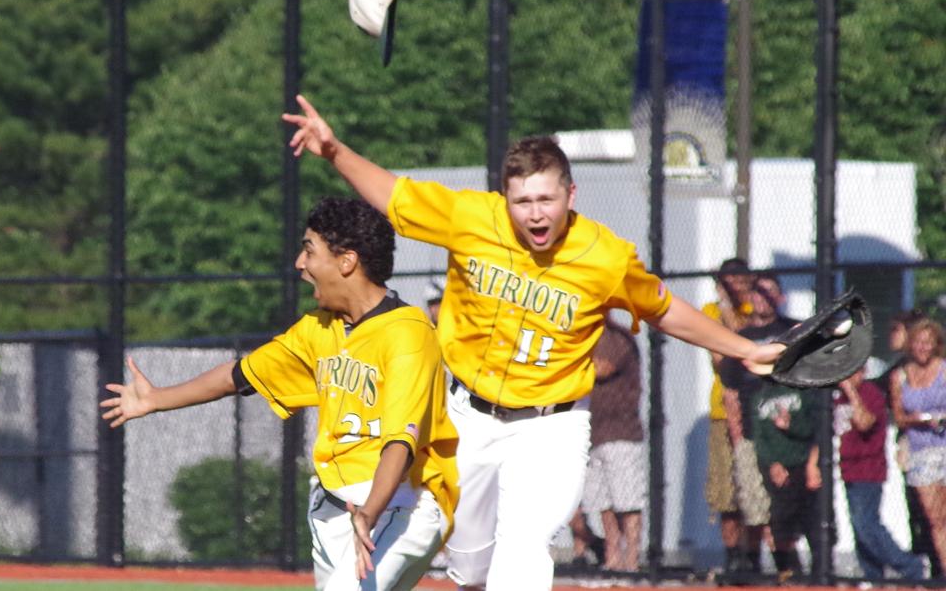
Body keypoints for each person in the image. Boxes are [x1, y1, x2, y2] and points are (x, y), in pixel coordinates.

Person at [281, 95, 785, 590]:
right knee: (470, 568)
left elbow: (665, 309)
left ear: (571, 193)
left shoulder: (603, 256)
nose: (536, 214)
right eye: (523, 201)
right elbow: (394, 194)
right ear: (505, 199)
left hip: (553, 425)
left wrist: (746, 349)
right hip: (468, 419)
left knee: (523, 546)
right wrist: (333, 150)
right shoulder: (472, 218)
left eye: (547, 199)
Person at [100, 198, 459, 591]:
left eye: (309, 250)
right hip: (334, 510)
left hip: (399, 507)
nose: (299, 264)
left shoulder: (408, 334)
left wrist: (370, 512)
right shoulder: (317, 329)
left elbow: (400, 441)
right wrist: (155, 399)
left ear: (347, 262)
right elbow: (239, 375)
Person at [718, 274, 795, 575]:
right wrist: (738, 438)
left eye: (769, 292)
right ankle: (751, 566)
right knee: (754, 504)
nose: (762, 298)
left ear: (780, 297)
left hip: (790, 437)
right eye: (757, 292)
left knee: (786, 505)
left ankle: (787, 569)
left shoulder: (792, 331)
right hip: (752, 433)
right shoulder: (742, 338)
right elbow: (730, 392)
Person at [834, 364, 926, 582]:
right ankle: (873, 576)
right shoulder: (839, 399)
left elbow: (865, 422)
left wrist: (851, 391)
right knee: (858, 528)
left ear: (862, 372)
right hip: (848, 468)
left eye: (853, 372)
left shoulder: (870, 393)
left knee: (867, 525)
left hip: (868, 469)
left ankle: (910, 567)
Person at [569, 313, 645, 572]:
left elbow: (602, 368)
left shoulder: (617, 337)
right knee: (603, 502)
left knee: (628, 500)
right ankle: (612, 558)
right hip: (593, 432)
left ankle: (632, 560)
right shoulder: (581, 339)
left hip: (621, 433)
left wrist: (568, 363)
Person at [702, 258, 755, 573]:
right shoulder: (711, 312)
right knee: (726, 491)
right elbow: (724, 358)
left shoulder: (756, 312)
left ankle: (755, 556)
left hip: (754, 411)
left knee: (754, 487)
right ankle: (733, 557)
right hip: (723, 413)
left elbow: (746, 348)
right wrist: (724, 304)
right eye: (728, 281)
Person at [751, 364, 821, 583]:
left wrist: (791, 425)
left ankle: (820, 575)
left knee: (813, 522)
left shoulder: (803, 392)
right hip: (777, 470)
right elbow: (759, 438)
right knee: (780, 523)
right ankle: (790, 571)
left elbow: (813, 430)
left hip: (802, 464)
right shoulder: (759, 397)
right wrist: (772, 464)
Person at [890, 317, 946, 576]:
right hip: (920, 450)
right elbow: (899, 415)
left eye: (929, 342)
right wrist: (917, 419)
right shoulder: (899, 375)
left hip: (944, 445)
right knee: (935, 519)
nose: (923, 347)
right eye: (919, 342)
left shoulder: (944, 370)